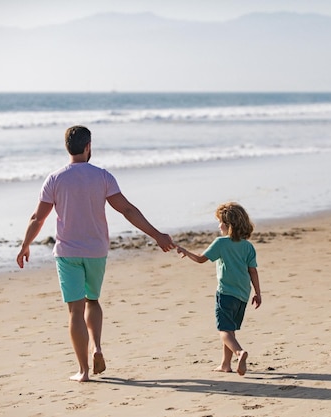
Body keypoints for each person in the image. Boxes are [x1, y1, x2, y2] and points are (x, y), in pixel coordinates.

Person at [16, 125, 175, 382]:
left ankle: (83, 371)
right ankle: (98, 348)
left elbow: (38, 217)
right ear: (88, 146)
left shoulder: (55, 179)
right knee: (93, 300)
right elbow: (128, 210)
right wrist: (157, 235)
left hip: (68, 252)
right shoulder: (102, 177)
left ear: (67, 148)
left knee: (74, 311)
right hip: (96, 251)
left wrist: (25, 244)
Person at [176, 202, 261, 376]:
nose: (218, 225)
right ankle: (225, 365)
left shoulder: (221, 243)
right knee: (230, 329)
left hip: (225, 293)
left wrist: (186, 251)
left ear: (228, 225)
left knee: (224, 330)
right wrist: (258, 293)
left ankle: (239, 353)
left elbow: (201, 259)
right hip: (243, 294)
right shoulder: (248, 246)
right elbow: (253, 271)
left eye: (220, 222)